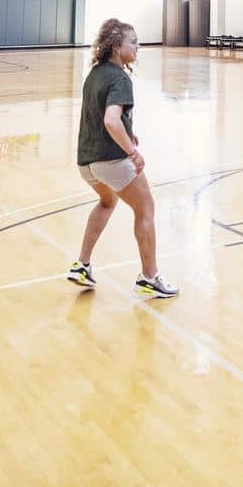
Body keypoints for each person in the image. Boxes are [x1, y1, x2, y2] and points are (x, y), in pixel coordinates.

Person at [67, 18, 178, 299]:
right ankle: (150, 277)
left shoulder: (94, 74)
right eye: (133, 42)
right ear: (117, 46)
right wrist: (132, 151)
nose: (138, 47)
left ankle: (82, 265)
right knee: (146, 208)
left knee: (107, 201)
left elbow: (102, 118)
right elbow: (110, 120)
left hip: (86, 161)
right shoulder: (120, 78)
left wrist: (129, 133)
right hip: (110, 161)